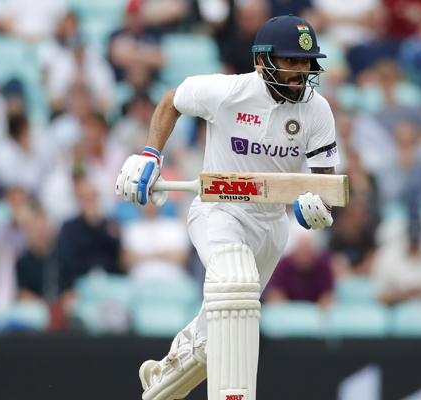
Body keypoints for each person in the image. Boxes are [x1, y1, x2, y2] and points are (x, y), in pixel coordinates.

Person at [114, 15, 339, 400]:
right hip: (219, 210)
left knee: (220, 327)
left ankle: (162, 382)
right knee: (235, 285)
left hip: (272, 225)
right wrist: (151, 154)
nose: (300, 73)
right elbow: (171, 101)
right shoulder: (227, 92)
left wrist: (317, 207)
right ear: (262, 61)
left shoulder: (316, 110)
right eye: (291, 62)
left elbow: (324, 182)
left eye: (306, 63)